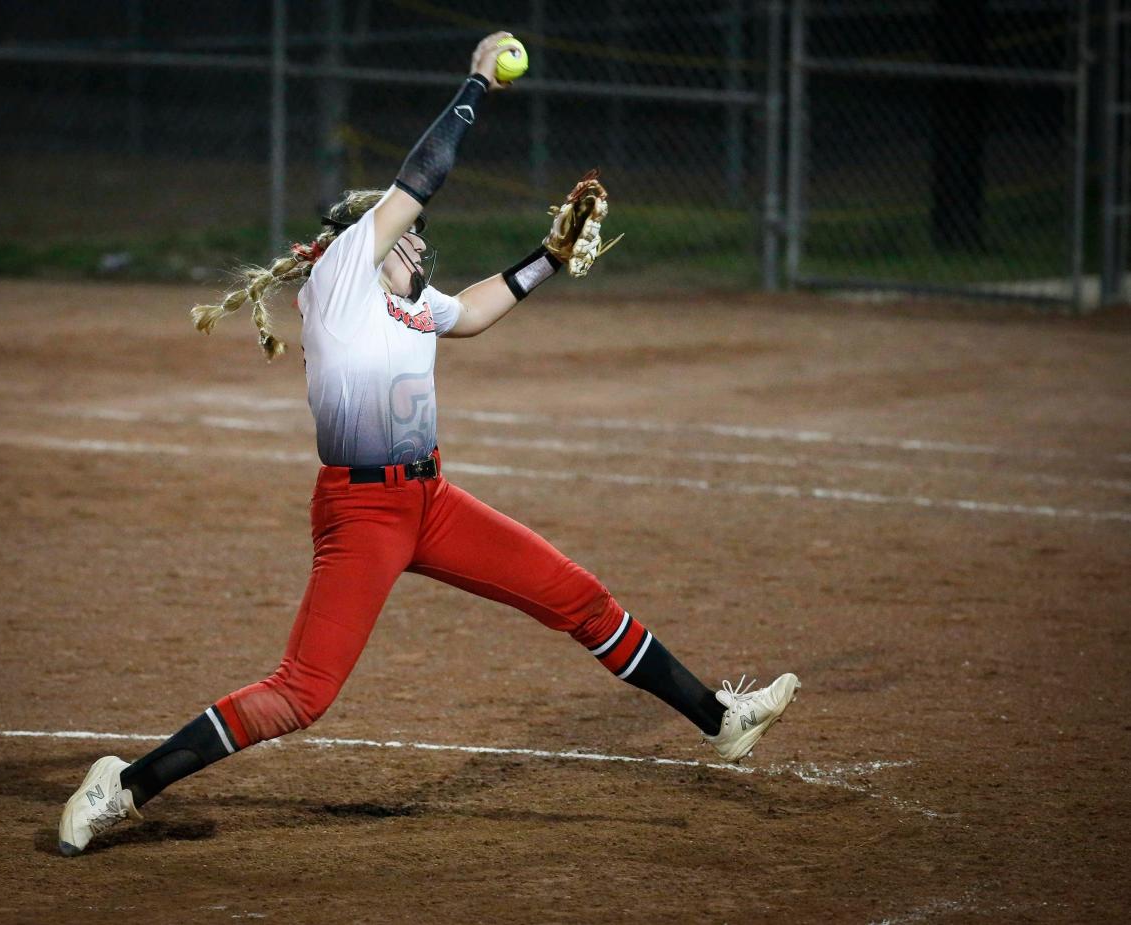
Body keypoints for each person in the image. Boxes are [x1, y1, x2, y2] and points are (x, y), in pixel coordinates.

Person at [58, 31, 799, 857]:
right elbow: (421, 179)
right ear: (367, 242)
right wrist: (477, 82)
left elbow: (474, 311)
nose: (420, 241)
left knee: (580, 598)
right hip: (364, 510)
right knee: (303, 692)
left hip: (431, 500)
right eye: (406, 234)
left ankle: (721, 719)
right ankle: (122, 785)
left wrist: (548, 259)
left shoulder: (408, 306)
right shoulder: (342, 279)